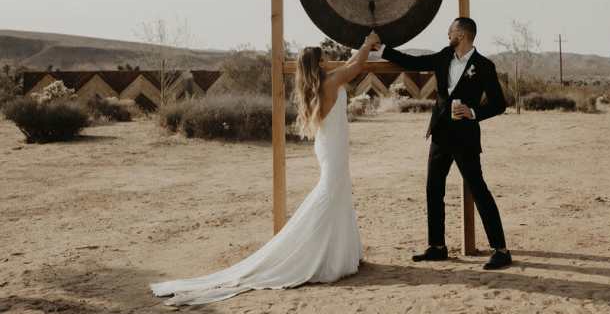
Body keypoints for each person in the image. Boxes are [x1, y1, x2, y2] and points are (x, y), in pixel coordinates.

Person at [149, 34, 377, 305]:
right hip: (333, 149)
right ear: (320, 64)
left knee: (337, 196)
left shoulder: (323, 83)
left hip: (330, 146)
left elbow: (351, 64)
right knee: (329, 197)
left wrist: (363, 46)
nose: (329, 61)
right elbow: (356, 67)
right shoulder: (330, 83)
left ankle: (340, 252)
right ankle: (312, 252)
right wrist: (368, 42)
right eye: (325, 59)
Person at [368, 17, 512, 270]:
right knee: (433, 189)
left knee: (478, 190)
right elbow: (412, 62)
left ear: (464, 35)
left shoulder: (484, 66)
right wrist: (381, 49)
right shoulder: (444, 56)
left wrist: (474, 112)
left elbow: (499, 103)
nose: (448, 34)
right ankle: (437, 247)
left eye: (452, 30)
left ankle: (501, 250)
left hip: (466, 138)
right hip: (440, 136)